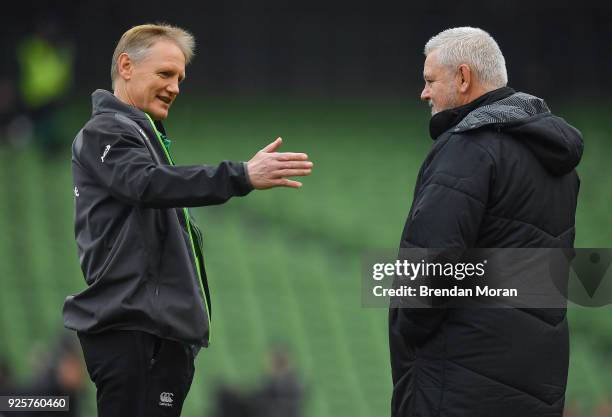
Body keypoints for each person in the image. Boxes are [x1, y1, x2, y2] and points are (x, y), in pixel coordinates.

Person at [62, 23, 313, 417]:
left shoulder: (145, 137)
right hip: (135, 330)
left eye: (179, 78)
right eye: (165, 74)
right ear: (126, 66)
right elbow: (145, 183)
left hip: (159, 333)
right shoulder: (105, 130)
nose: (175, 87)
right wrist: (241, 175)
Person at [389, 27, 583, 417]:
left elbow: (431, 265)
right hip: (536, 380)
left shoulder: (468, 148)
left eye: (430, 81)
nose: (423, 93)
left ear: (463, 78)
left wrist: (406, 332)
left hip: (459, 382)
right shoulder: (558, 162)